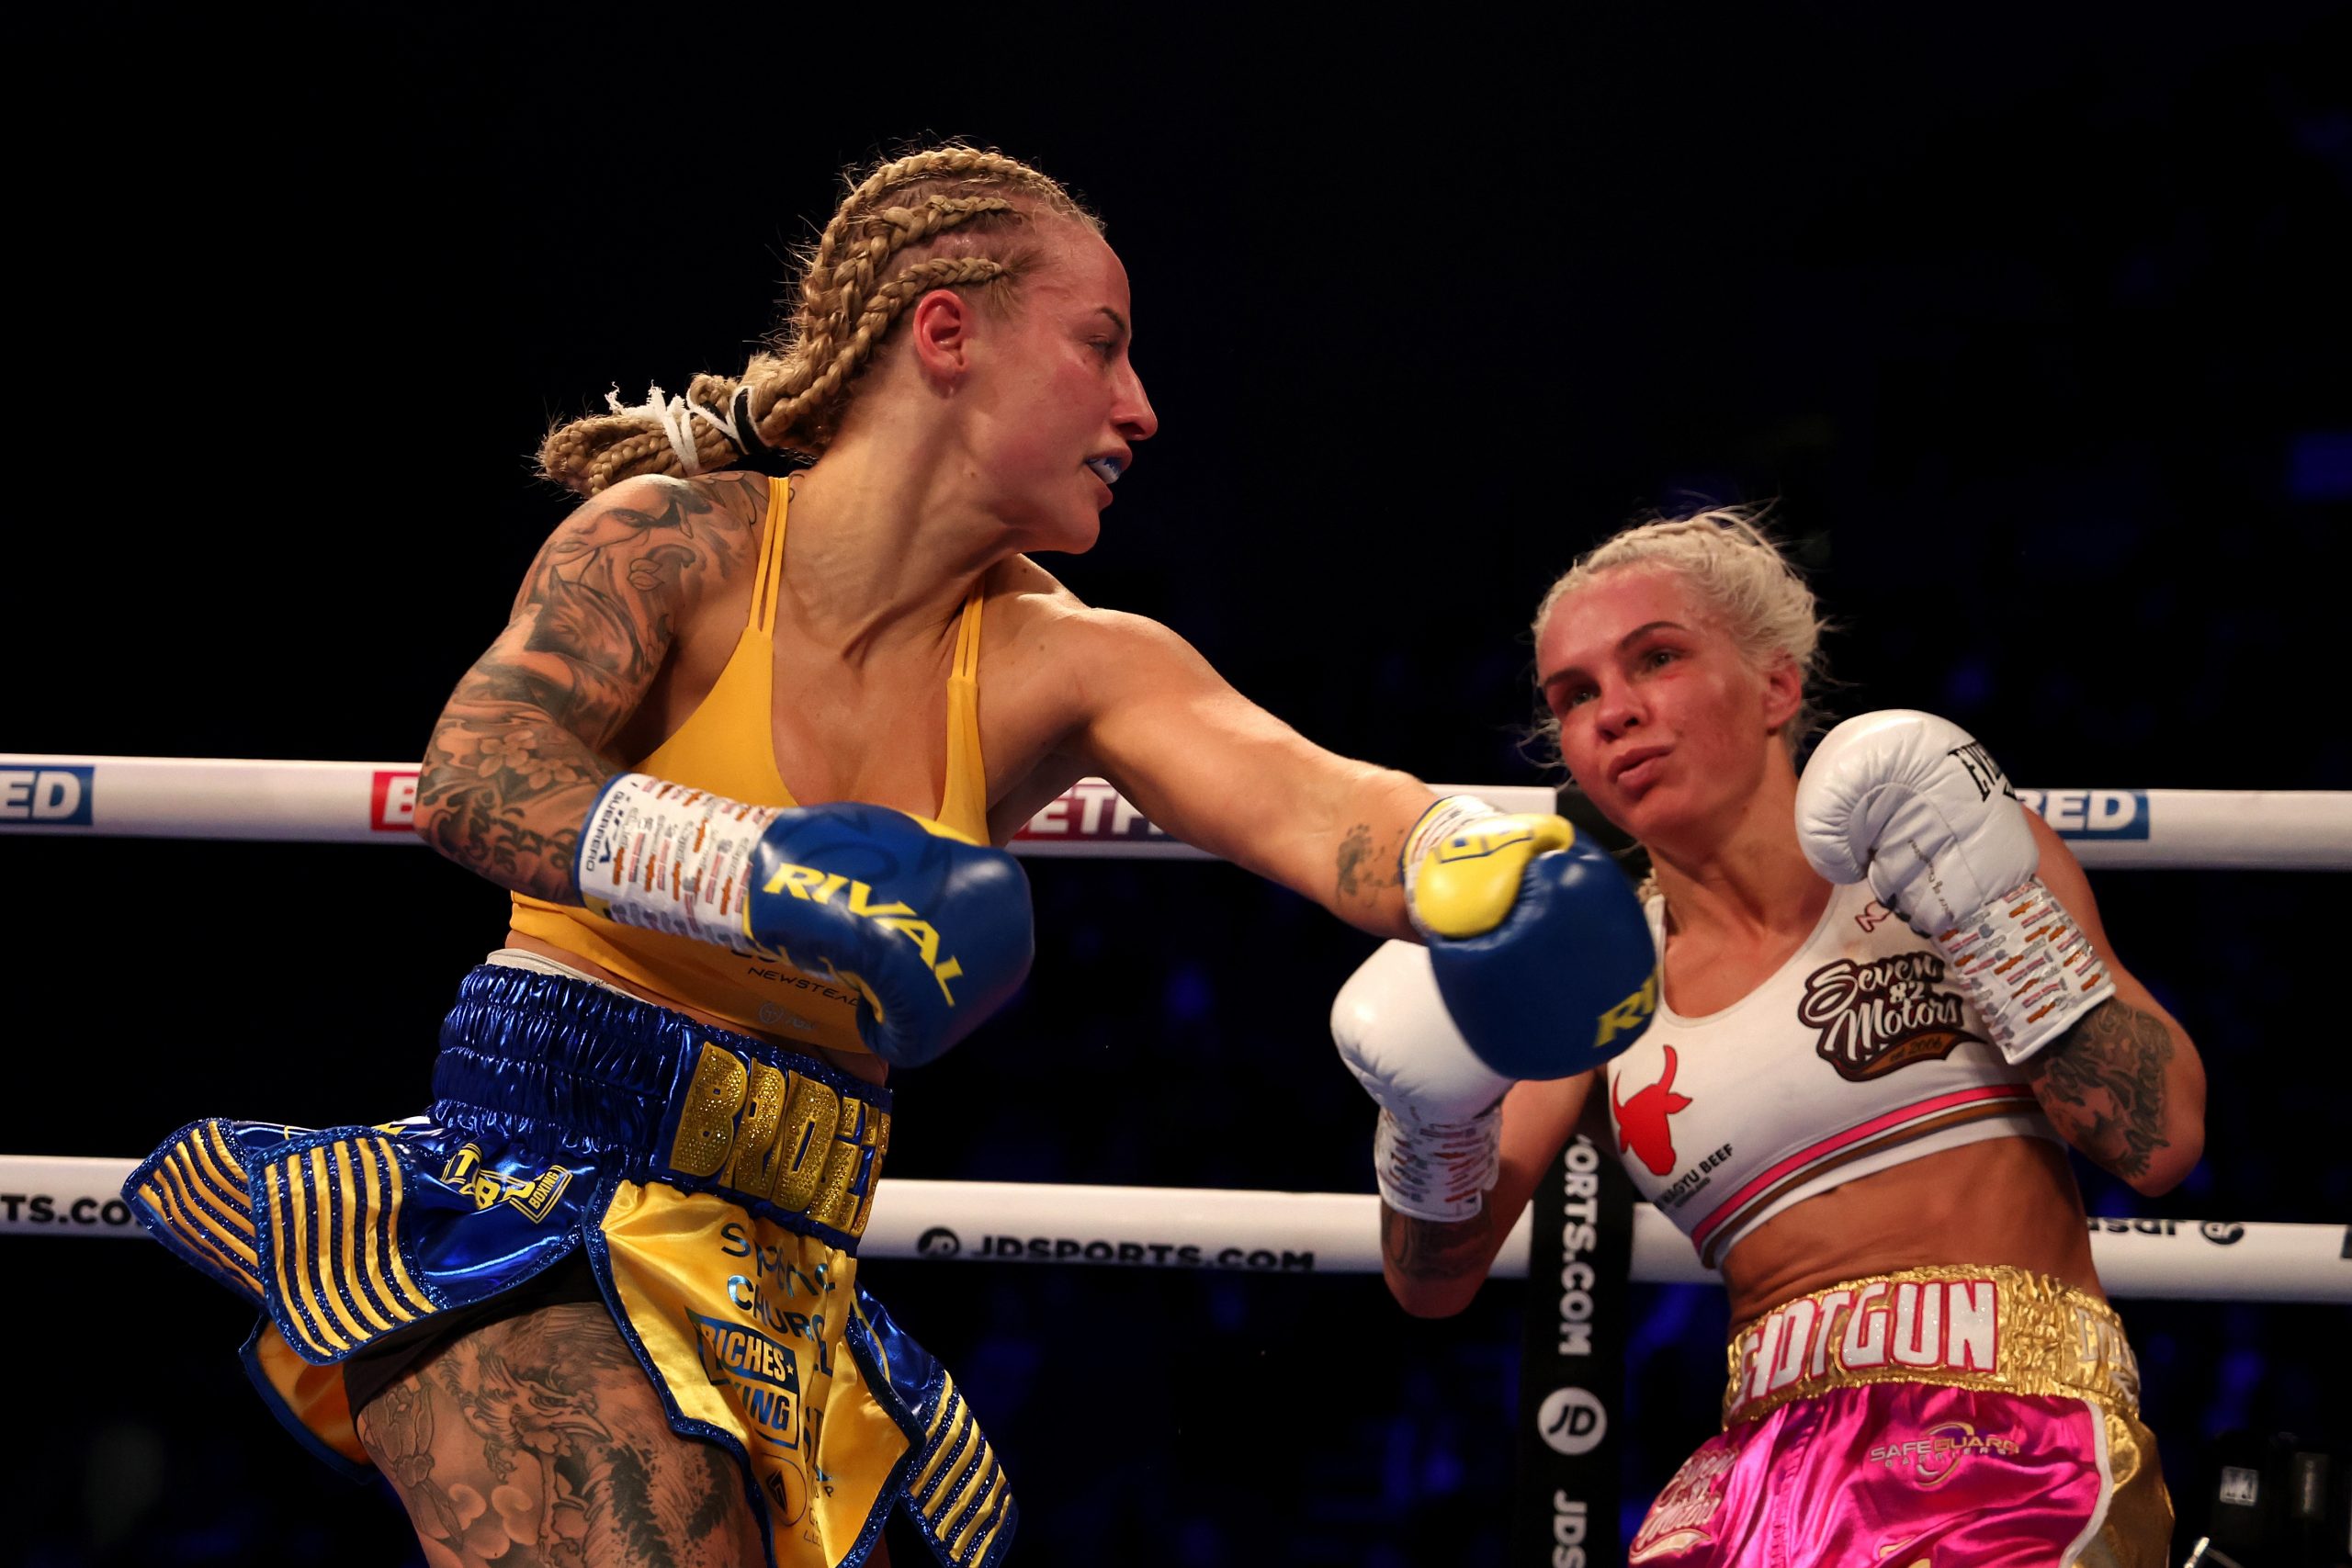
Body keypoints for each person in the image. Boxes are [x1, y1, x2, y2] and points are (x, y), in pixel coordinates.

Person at [120, 143, 1653, 1568]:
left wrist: (1483, 864)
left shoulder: (1071, 662)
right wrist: (761, 869)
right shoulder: (674, 542)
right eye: (1102, 341)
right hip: (531, 1199)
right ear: (947, 335)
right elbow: (478, 775)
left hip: (795, 1263)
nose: (1144, 408)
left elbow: (1322, 803)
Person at [1334, 510, 2207, 1565]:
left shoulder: (1938, 851)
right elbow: (1432, 1277)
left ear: (1776, 688)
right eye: (1575, 695)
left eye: (1655, 659)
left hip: (2008, 1436)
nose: (1614, 714)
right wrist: (1431, 1119)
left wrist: (1993, 919)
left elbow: (2157, 1142)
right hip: (1757, 1473)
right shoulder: (1592, 971)